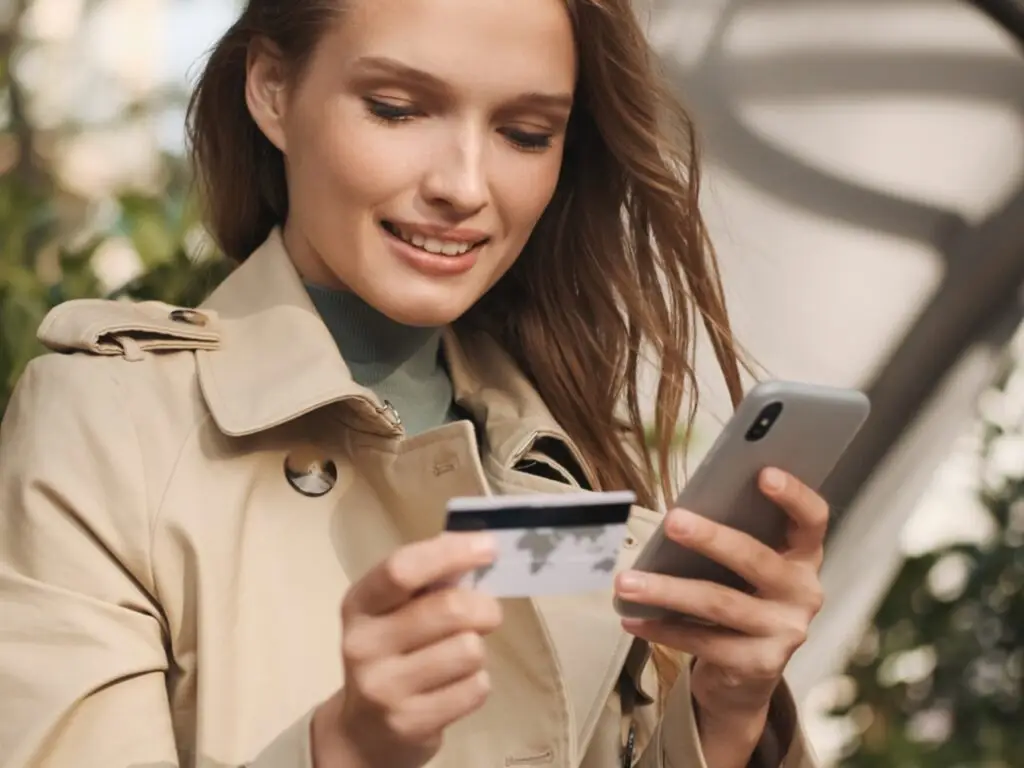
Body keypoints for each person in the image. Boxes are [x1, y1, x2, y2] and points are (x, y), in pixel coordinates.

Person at [0, 0, 829, 766]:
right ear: (273, 90)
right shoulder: (111, 425)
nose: (465, 187)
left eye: (527, 134)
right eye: (398, 109)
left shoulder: (559, 453)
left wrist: (724, 714)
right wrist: (341, 749)